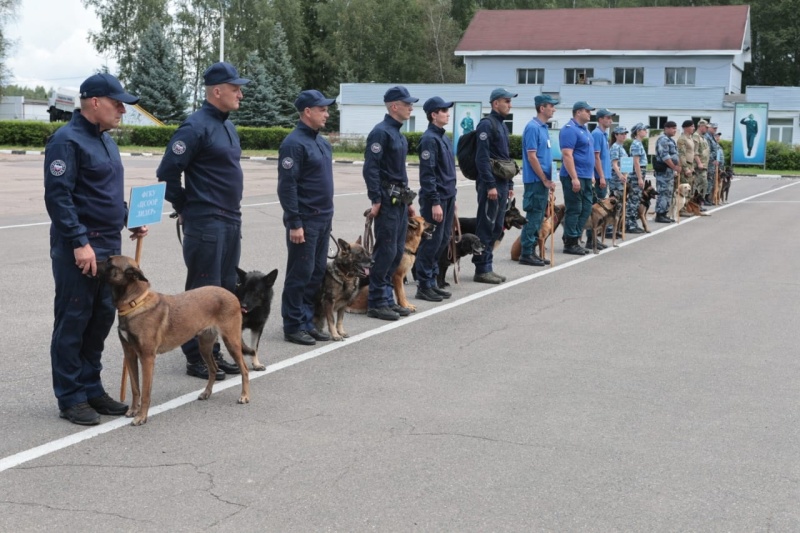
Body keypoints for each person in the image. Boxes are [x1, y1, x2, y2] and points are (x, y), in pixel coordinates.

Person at [44, 73, 147, 425]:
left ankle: (91, 388)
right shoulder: (66, 141)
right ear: (94, 102)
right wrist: (79, 242)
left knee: (100, 319)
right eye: (117, 103)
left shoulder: (106, 141)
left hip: (108, 247)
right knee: (74, 320)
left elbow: (104, 194)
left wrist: (129, 216)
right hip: (81, 248)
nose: (122, 109)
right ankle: (70, 397)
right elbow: (60, 198)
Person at [156, 61, 249, 380]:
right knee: (200, 294)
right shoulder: (194, 127)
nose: (240, 93)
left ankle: (213, 352)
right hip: (206, 222)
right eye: (235, 88)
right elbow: (167, 172)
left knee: (223, 291)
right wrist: (185, 206)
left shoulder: (227, 125)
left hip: (229, 220)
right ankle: (195, 357)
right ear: (216, 91)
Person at [277, 90, 336, 345]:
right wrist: (295, 222)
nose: (327, 113)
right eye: (322, 109)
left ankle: (307, 321)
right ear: (307, 112)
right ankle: (292, 325)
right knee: (300, 274)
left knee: (316, 273)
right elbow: (287, 186)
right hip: (306, 221)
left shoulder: (321, 142)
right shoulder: (293, 143)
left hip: (323, 218)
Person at [363, 86, 418, 321]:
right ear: (394, 106)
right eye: (407, 104)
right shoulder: (381, 133)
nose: (411, 107)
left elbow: (400, 172)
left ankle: (386, 299)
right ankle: (377, 301)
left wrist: (408, 203)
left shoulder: (398, 134)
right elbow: (371, 168)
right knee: (385, 251)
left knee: (396, 251)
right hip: (386, 200)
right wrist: (375, 199)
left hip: (399, 200)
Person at [414, 96, 458, 301]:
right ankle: (423, 284)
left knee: (441, 241)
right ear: (434, 114)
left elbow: (448, 172)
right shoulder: (429, 139)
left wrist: (452, 198)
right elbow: (428, 174)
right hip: (436, 199)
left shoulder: (443, 137)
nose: (448, 113)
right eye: (444, 110)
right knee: (431, 242)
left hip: (447, 196)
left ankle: (432, 281)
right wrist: (435, 201)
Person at [473, 87, 517, 283]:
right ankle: (481, 269)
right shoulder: (486, 125)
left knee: (497, 226)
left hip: (501, 183)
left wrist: (509, 184)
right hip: (489, 184)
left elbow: (505, 158)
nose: (509, 104)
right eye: (506, 101)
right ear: (495, 103)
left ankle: (488, 266)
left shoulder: (501, 125)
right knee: (486, 225)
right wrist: (490, 185)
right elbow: (482, 159)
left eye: (510, 101)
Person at [519, 94, 559, 266]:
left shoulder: (543, 128)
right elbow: (532, 157)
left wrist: (550, 179)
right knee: (534, 217)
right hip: (535, 181)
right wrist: (544, 179)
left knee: (537, 217)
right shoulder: (533, 127)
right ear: (542, 108)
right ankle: (526, 252)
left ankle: (532, 250)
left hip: (542, 181)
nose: (554, 109)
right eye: (551, 106)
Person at [559, 101, 596, 255]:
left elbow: (588, 155)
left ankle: (573, 235)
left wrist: (592, 174)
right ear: (578, 112)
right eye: (587, 111)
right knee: (575, 209)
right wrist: (574, 177)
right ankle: (570, 241)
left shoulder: (585, 130)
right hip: (574, 175)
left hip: (586, 176)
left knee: (586, 208)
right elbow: (567, 155)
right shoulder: (570, 130)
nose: (590, 114)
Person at [654, 121, 680, 223]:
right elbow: (665, 156)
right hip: (664, 171)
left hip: (669, 171)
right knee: (663, 192)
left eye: (675, 128)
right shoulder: (663, 140)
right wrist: (674, 167)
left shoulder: (670, 140)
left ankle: (664, 213)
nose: (674, 130)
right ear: (666, 128)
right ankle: (660, 214)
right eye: (673, 128)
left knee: (668, 192)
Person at [626, 123, 650, 233]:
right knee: (634, 200)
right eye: (644, 129)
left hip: (640, 172)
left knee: (635, 199)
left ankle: (632, 223)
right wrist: (640, 178)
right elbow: (636, 163)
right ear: (638, 132)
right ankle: (630, 225)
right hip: (636, 175)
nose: (646, 131)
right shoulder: (636, 144)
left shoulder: (639, 143)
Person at [694, 119, 710, 202]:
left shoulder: (702, 137)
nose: (707, 129)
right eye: (706, 127)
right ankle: (696, 202)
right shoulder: (696, 136)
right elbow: (695, 151)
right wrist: (699, 163)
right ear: (701, 126)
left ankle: (699, 202)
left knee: (702, 185)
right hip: (698, 166)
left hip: (704, 166)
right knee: (699, 185)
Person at [676, 119, 696, 190]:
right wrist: (686, 168)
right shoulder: (682, 139)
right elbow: (682, 155)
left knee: (690, 188)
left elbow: (692, 153)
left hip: (690, 165)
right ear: (685, 128)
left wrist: (692, 166)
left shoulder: (690, 138)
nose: (694, 128)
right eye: (692, 126)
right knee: (685, 189)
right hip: (685, 165)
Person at [705, 122, 720, 203]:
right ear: (709, 128)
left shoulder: (712, 137)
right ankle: (705, 197)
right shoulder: (707, 137)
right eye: (714, 128)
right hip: (709, 162)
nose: (715, 129)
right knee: (708, 179)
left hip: (713, 162)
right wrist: (712, 159)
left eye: (716, 128)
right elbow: (707, 151)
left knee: (710, 180)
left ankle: (708, 197)